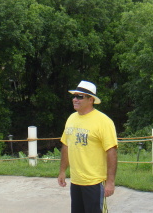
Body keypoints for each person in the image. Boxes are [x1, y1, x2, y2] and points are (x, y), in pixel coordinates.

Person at [58, 80, 118, 213]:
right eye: (74, 96)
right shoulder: (71, 119)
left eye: (80, 96)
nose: (75, 99)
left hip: (95, 182)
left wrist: (110, 182)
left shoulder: (103, 121)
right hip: (76, 181)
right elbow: (66, 145)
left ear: (91, 100)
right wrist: (62, 171)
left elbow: (111, 151)